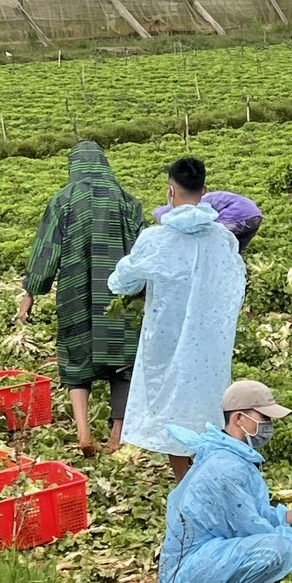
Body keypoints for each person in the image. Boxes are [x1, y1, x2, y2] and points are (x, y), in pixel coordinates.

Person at [108, 155, 248, 478]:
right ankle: (202, 474)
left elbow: (122, 281)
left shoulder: (156, 240)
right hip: (209, 342)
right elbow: (235, 284)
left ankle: (186, 480)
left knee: (173, 407)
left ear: (170, 191)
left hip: (166, 341)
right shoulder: (222, 238)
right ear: (205, 190)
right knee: (206, 404)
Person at [157, 379, 292, 583]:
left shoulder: (231, 456)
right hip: (185, 582)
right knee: (276, 551)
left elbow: (257, 517)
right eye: (264, 418)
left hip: (199, 568)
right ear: (239, 419)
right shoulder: (226, 467)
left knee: (277, 545)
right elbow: (258, 533)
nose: (268, 426)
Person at [19, 142, 149, 457]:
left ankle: (83, 432)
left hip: (75, 291)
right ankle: (117, 436)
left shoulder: (62, 201)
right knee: (124, 361)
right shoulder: (127, 201)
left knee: (76, 358)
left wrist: (31, 292)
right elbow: (144, 250)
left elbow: (46, 250)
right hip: (121, 295)